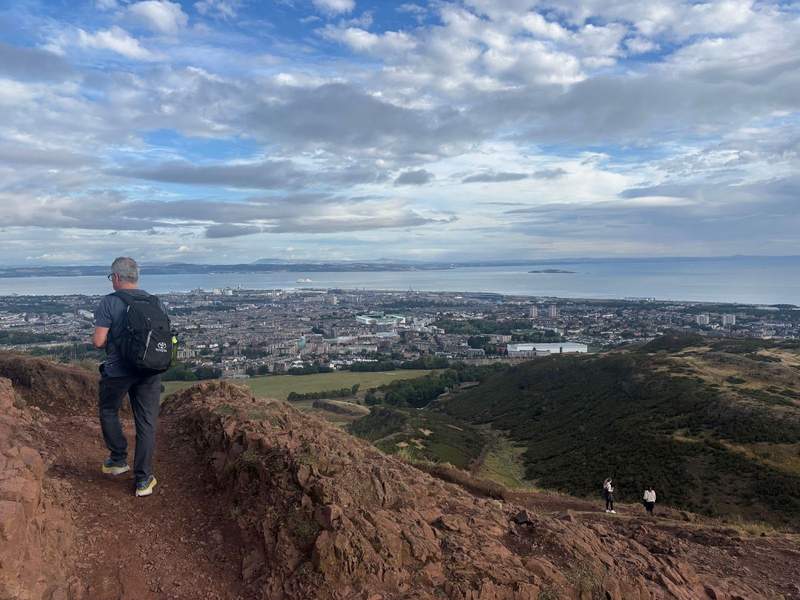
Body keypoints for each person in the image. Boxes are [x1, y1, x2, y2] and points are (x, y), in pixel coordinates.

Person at [93, 257, 168, 497]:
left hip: (118, 371)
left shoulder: (109, 302)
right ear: (136, 277)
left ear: (116, 277)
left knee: (108, 410)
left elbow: (98, 341)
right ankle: (143, 480)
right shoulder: (155, 302)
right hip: (149, 370)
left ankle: (117, 459)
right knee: (146, 423)